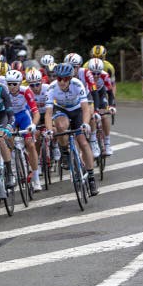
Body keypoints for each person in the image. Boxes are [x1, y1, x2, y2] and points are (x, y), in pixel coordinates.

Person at [44, 63, 99, 195]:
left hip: (77, 111)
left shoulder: (77, 84)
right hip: (62, 110)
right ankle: (64, 151)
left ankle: (91, 178)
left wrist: (85, 124)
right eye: (59, 79)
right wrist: (49, 130)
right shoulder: (52, 88)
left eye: (66, 79)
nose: (62, 82)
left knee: (83, 142)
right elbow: (48, 113)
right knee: (61, 126)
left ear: (70, 78)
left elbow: (85, 108)